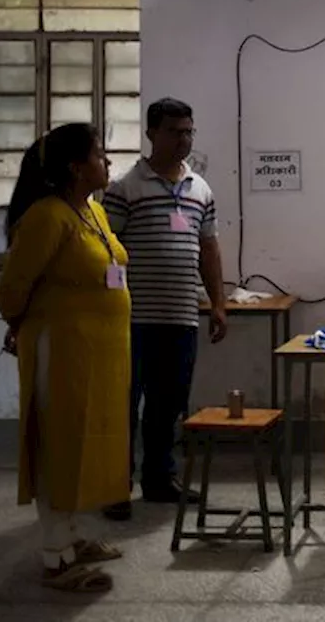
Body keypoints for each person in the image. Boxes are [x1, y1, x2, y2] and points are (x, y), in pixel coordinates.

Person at [0, 124, 130, 592]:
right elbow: (11, 291)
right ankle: (56, 558)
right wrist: (25, 323)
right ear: (76, 167)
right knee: (58, 446)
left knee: (85, 444)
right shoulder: (46, 217)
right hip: (61, 352)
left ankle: (73, 535)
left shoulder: (92, 213)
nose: (107, 162)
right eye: (100, 154)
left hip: (98, 356)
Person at [101, 98, 227, 521]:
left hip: (181, 318)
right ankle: (115, 485)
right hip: (131, 320)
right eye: (175, 131)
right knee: (123, 403)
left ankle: (159, 478)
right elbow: (106, 252)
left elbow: (208, 249)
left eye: (189, 131)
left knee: (168, 404)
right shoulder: (124, 188)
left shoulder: (200, 189)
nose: (184, 140)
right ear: (152, 133)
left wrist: (218, 304)